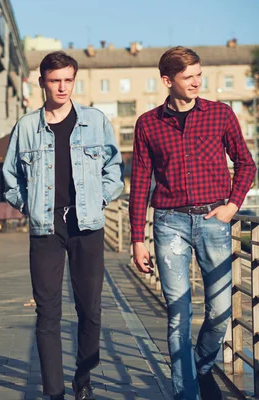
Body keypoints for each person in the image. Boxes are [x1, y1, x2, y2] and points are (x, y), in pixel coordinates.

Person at [129, 46, 256, 400]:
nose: (197, 82)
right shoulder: (148, 124)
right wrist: (137, 239)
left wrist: (232, 205)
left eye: (200, 74)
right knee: (178, 315)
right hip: (169, 224)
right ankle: (186, 394)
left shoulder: (221, 115)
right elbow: (140, 181)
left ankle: (200, 366)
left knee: (220, 312)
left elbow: (246, 164)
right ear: (168, 81)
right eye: (189, 77)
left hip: (214, 220)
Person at [3, 51, 124, 400]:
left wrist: (98, 200)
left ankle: (83, 377)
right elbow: (10, 180)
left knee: (90, 309)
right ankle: (53, 393)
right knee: (48, 312)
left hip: (87, 225)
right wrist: (29, 205)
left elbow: (114, 172)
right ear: (42, 82)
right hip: (46, 228)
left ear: (74, 80)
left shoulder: (95, 121)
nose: (62, 87)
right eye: (55, 80)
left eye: (68, 80)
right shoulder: (26, 127)